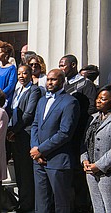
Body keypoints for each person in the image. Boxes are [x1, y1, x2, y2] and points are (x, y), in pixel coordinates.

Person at [30, 69, 80, 213]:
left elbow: (65, 133)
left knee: (61, 203)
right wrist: (35, 148)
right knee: (41, 203)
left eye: (54, 80)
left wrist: (41, 150)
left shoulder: (70, 102)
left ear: (62, 81)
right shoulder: (42, 100)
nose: (50, 82)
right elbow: (35, 125)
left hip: (58, 161)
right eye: (48, 79)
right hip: (38, 161)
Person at [59, 54, 97, 211]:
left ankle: (82, 205)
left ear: (73, 65)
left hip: (78, 134)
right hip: (65, 135)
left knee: (79, 173)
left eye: (64, 65)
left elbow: (90, 109)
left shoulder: (85, 85)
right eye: (60, 65)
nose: (61, 68)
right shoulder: (62, 85)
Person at [7, 65, 41, 212]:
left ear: (30, 74)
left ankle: (27, 205)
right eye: (19, 73)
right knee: (19, 172)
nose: (21, 76)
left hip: (24, 135)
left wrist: (13, 131)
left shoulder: (34, 90)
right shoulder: (17, 89)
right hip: (15, 134)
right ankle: (22, 201)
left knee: (26, 173)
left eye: (24, 73)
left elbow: (28, 114)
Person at [81, 85, 111, 213]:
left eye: (103, 99)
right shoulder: (93, 117)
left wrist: (99, 165)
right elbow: (84, 142)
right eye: (98, 98)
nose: (98, 101)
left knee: (108, 205)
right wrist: (85, 160)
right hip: (91, 170)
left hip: (106, 171)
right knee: (97, 206)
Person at [0, 41, 17, 117]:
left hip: (4, 99)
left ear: (6, 54)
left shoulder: (12, 68)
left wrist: (0, 96)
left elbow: (11, 86)